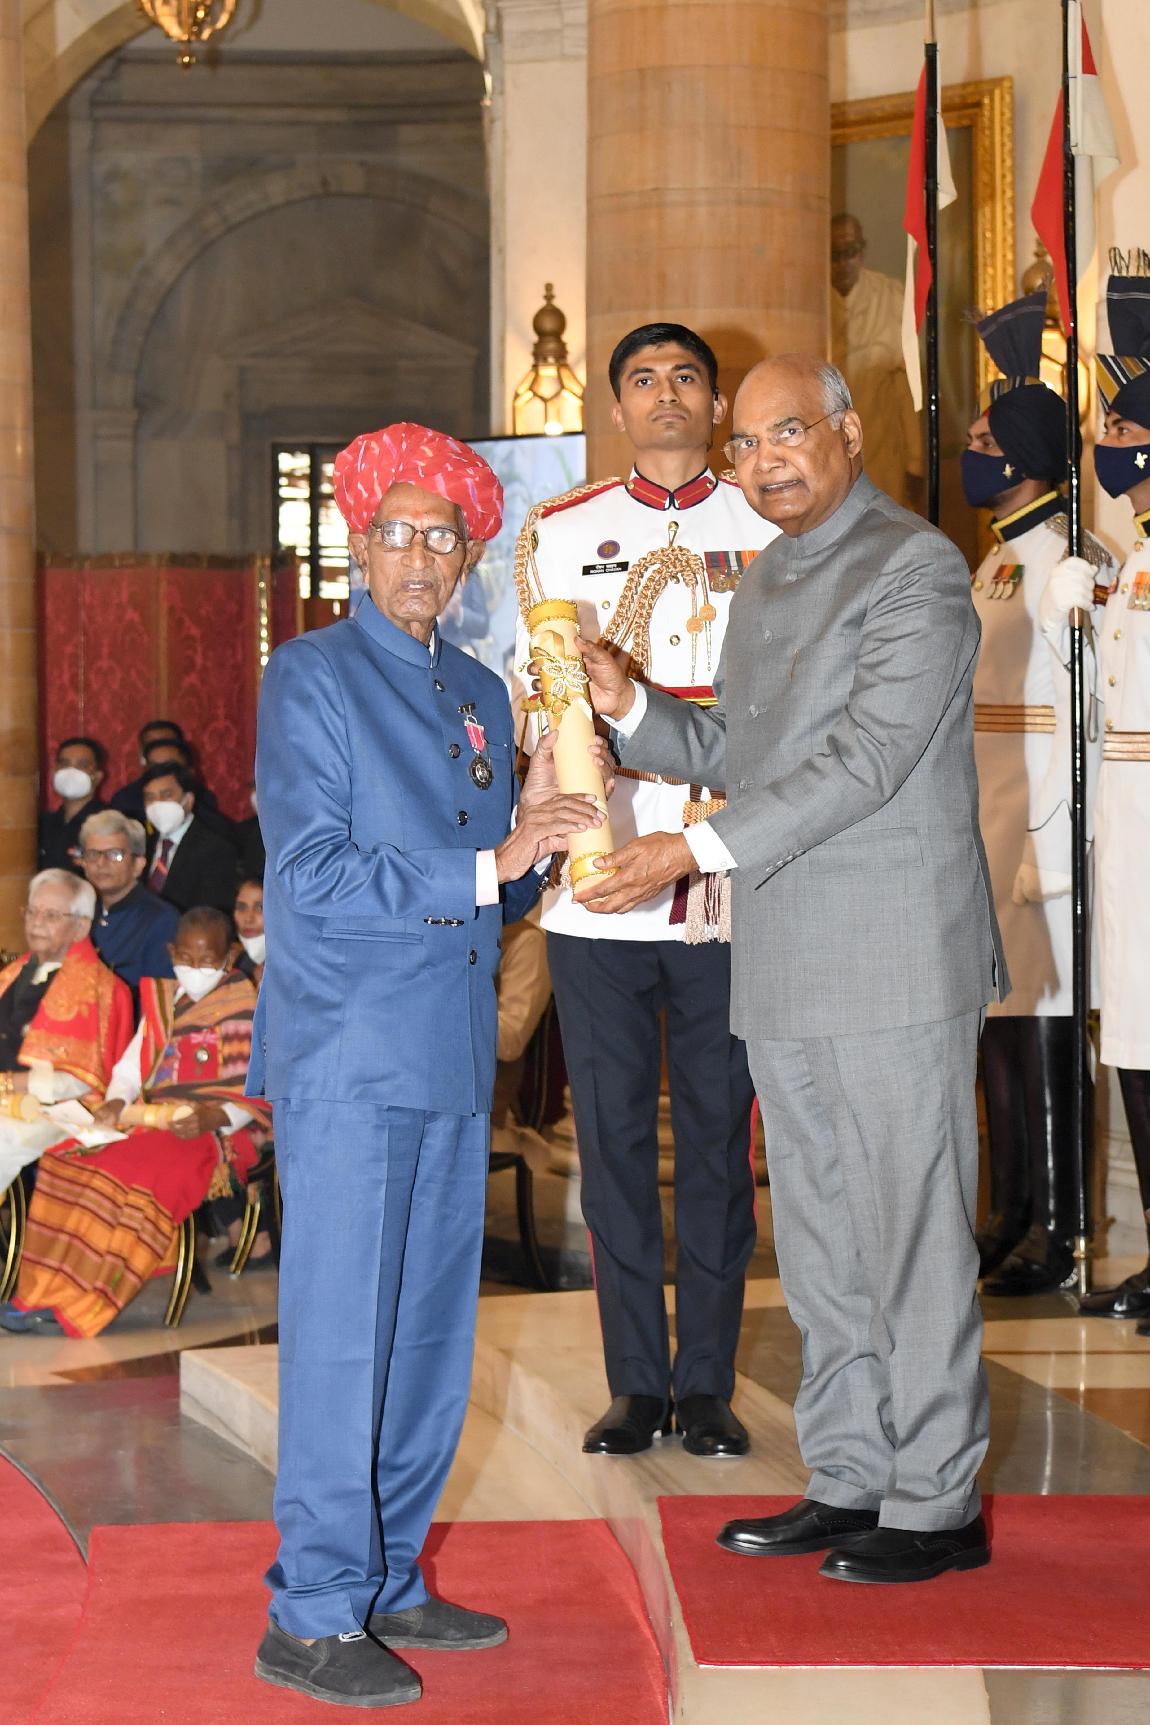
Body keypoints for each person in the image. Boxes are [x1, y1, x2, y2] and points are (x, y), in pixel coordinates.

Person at [577, 354, 1006, 1586]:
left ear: (846, 432)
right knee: (818, 1240)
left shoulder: (914, 567)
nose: (763, 461)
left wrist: (687, 850)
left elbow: (868, 758)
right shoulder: (767, 579)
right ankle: (849, 1474)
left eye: (787, 433)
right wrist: (630, 707)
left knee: (910, 1233)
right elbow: (738, 749)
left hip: (889, 956)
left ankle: (935, 1500)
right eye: (746, 446)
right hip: (782, 951)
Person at [250, 422, 604, 1709]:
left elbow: (489, 882)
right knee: (345, 1338)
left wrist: (546, 829)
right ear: (359, 543)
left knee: (427, 1338)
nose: (417, 555)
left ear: (466, 559)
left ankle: (391, 1576)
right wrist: (489, 862)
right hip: (350, 1050)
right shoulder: (312, 677)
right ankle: (311, 1610)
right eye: (395, 532)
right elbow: (310, 875)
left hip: (451, 1050)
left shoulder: (476, 693)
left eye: (441, 536)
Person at [512, 322, 766, 1460]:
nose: (666, 395)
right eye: (644, 380)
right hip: (599, 883)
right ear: (615, 408)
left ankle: (705, 1382)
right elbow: (540, 697)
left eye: (686, 378)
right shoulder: (564, 531)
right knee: (610, 1142)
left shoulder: (769, 517)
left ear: (715, 403)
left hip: (727, 874)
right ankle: (633, 1382)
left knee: (717, 1140)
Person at [962, 293, 1116, 1295]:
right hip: (986, 816)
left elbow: (1080, 716)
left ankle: (1062, 1225)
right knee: (1000, 1026)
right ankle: (1009, 1208)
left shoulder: (1070, 562)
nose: (973, 453)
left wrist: (1049, 850)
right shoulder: (999, 557)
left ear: (1022, 455)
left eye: (987, 442)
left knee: (1049, 1029)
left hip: (1037, 828)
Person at [1039, 271, 1150, 1322]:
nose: (1105, 447)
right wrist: (1086, 606)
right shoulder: (1139, 556)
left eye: (1119, 429)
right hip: (1126, 837)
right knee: (1135, 1049)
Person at [0, 907, 268, 1337]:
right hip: (148, 1120)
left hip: (211, 1134)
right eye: (186, 958)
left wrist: (212, 1117)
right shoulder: (165, 1002)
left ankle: (83, 1304)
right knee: (65, 1159)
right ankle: (38, 1293)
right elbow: (131, 1065)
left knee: (125, 1177)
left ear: (229, 956)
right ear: (171, 952)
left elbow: (258, 1089)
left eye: (206, 961)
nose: (195, 969)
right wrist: (114, 1103)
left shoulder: (246, 1008)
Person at [0, 870, 133, 1195]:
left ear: (81, 926)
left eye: (51, 915)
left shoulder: (102, 990)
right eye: (32, 911)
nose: (36, 923)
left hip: (58, 1110)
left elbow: (79, 1081)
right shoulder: (12, 973)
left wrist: (7, 1084)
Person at [830, 213, 924, 510]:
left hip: (882, 448)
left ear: (862, 251)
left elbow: (905, 386)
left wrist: (916, 460)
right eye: (834, 254)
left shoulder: (890, 296)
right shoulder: (810, 300)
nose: (843, 263)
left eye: (850, 251)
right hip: (828, 452)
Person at [81, 809, 177, 1001]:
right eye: (92, 854)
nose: (101, 863)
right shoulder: (76, 911)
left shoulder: (162, 920)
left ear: (138, 864)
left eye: (114, 854)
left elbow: (156, 999)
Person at [141, 762, 239, 914]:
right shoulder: (141, 843)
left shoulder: (216, 850)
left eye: (166, 795)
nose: (157, 803)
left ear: (188, 799)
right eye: (150, 797)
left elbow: (211, 914)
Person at [37, 736, 108, 873]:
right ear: (54, 772)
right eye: (64, 764)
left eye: (82, 765)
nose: (71, 771)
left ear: (98, 776)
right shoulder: (41, 824)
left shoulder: (109, 823)